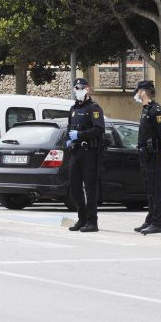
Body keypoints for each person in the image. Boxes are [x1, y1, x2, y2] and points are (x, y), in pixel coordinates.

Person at [133, 80, 161, 235]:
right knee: (150, 189)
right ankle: (151, 219)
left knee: (157, 190)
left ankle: (158, 223)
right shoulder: (146, 109)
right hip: (145, 155)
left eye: (138, 91)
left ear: (143, 92)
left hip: (154, 155)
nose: (136, 94)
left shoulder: (156, 111)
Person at [67, 78, 105, 233]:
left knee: (90, 187)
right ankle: (81, 218)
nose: (78, 90)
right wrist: (68, 141)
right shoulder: (73, 108)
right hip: (76, 152)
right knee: (74, 186)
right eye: (76, 88)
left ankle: (92, 221)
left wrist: (80, 135)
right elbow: (69, 128)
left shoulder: (94, 108)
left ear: (87, 89)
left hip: (89, 152)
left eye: (80, 88)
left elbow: (99, 129)